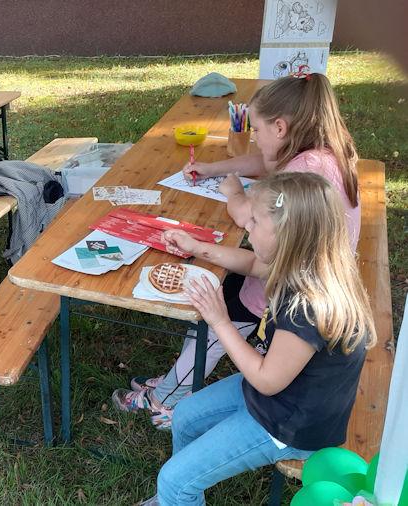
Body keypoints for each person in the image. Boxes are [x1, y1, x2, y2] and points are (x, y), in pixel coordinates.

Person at [114, 73, 362, 430]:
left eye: (256, 130)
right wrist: (213, 170)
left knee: (219, 318)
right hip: (306, 272)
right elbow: (264, 163)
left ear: (280, 127)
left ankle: (165, 400)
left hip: (289, 290)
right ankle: (178, 378)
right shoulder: (316, 152)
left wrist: (233, 194)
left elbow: (247, 219)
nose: (255, 138)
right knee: (219, 290)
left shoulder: (304, 170)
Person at [138, 172, 375, 505]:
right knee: (186, 415)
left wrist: (220, 321)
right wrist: (196, 247)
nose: (247, 229)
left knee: (173, 480)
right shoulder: (303, 263)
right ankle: (176, 496)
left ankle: (176, 492)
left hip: (290, 424)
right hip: (276, 396)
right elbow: (251, 263)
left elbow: (267, 380)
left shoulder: (309, 305)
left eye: (254, 222)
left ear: (285, 234)